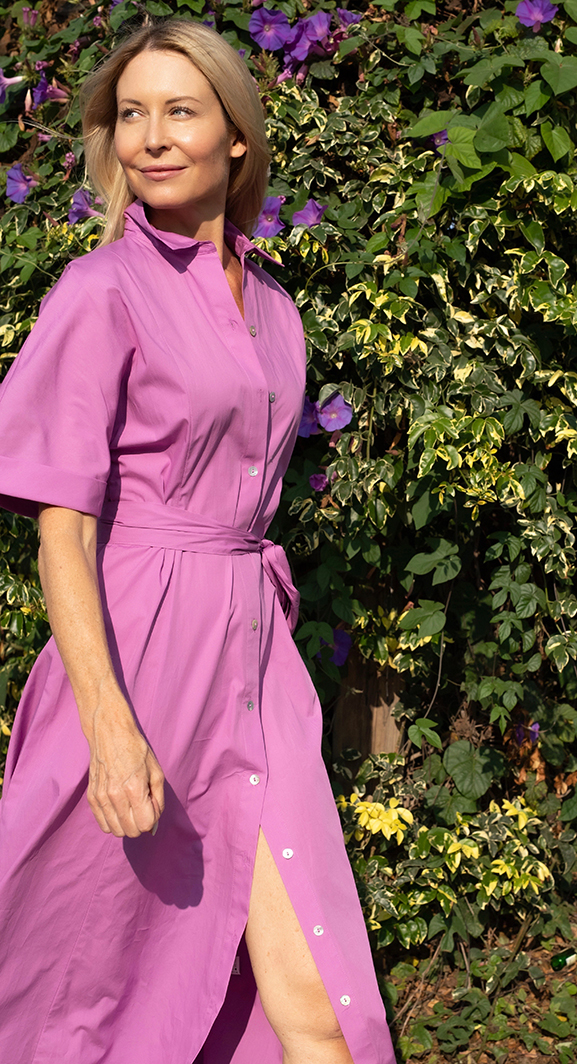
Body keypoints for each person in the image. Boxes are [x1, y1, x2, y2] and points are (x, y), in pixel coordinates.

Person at [0, 19, 396, 1064]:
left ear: (237, 137)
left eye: (180, 110)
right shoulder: (99, 292)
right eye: (132, 115)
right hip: (138, 658)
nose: (152, 137)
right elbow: (63, 528)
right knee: (87, 994)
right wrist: (108, 725)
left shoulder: (275, 309)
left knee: (319, 1008)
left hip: (255, 668)